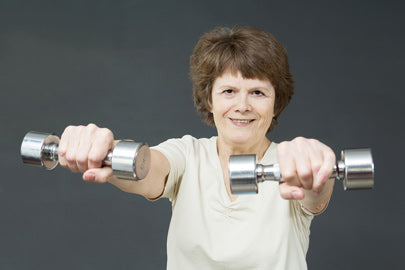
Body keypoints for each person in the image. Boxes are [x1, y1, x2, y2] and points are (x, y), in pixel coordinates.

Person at [58, 26, 336, 269]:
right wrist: (106, 148)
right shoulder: (188, 155)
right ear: (210, 99)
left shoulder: (291, 164)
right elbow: (147, 168)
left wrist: (317, 169)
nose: (242, 106)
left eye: (258, 92)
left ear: (276, 103)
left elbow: (316, 194)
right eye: (228, 91)